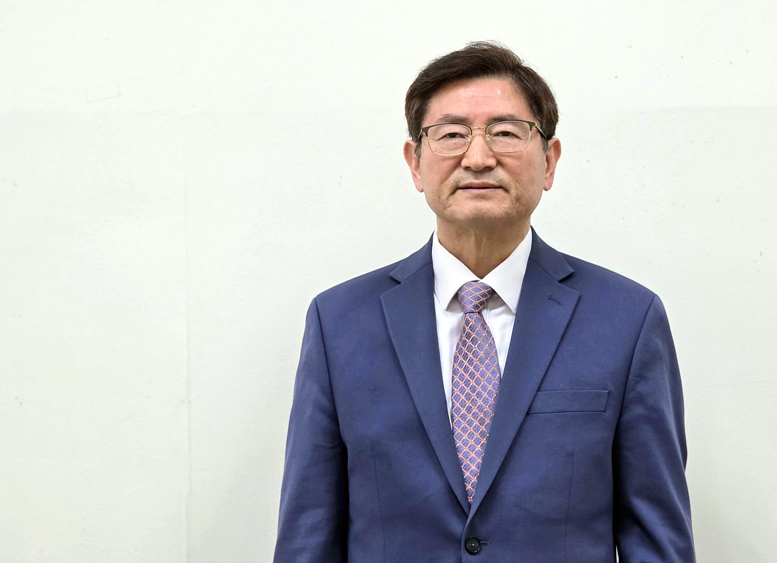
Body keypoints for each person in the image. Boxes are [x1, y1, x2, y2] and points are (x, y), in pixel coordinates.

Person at [274, 41, 695, 562]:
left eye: (505, 133)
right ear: (415, 162)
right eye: (451, 134)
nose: (478, 158)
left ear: (549, 161)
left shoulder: (626, 320)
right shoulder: (339, 322)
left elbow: (656, 540)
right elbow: (308, 536)